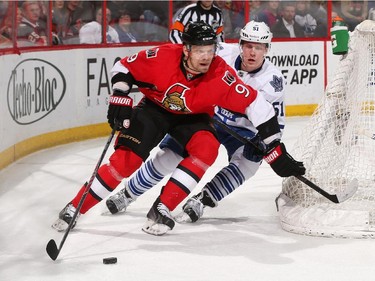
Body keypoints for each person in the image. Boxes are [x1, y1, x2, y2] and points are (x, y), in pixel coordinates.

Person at [52, 21, 305, 236]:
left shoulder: (221, 73)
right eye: (199, 51)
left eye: (210, 50)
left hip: (197, 117)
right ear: (186, 50)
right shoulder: (162, 56)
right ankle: (77, 206)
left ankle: (162, 207)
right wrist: (120, 95)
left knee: (206, 149)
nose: (206, 56)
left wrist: (274, 146)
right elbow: (124, 66)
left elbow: (256, 105)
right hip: (155, 108)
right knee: (126, 161)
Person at [106, 21, 287, 223]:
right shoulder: (220, 53)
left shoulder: (273, 80)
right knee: (170, 155)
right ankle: (129, 193)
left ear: (267, 49)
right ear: (239, 44)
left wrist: (264, 143)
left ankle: (204, 199)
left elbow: (274, 118)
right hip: (208, 117)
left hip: (242, 130)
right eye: (248, 45)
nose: (252, 52)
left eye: (259, 47)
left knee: (249, 164)